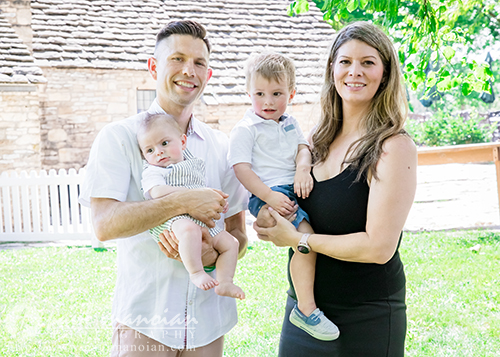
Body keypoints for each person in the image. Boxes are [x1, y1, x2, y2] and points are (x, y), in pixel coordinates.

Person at [79, 20, 248, 356]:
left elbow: (238, 235)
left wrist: (214, 255)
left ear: (208, 75)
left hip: (208, 324)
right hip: (146, 321)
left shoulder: (220, 145)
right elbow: (103, 225)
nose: (189, 70)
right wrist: (183, 202)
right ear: (153, 67)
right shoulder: (118, 137)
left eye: (199, 63)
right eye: (177, 59)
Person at [254, 21, 417, 356]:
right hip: (304, 312)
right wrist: (272, 216)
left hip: (366, 316)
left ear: (384, 74)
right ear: (332, 69)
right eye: (345, 62)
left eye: (367, 62)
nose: (354, 72)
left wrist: (298, 240)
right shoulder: (314, 141)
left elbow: (378, 248)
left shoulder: (393, 147)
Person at [229, 52, 339, 341]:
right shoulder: (246, 129)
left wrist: (303, 168)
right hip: (272, 191)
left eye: (277, 93)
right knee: (305, 241)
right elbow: (241, 169)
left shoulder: (290, 122)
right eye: (260, 94)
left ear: (291, 93)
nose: (268, 102)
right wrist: (268, 198)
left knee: (309, 237)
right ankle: (306, 309)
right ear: (248, 93)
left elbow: (304, 147)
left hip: (294, 186)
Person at [138, 113, 245, 299]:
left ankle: (226, 281)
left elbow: (201, 190)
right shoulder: (153, 171)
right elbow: (156, 192)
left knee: (231, 243)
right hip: (173, 219)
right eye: (149, 150)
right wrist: (192, 196)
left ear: (183, 142)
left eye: (164, 143)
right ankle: (196, 272)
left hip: (202, 220)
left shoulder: (191, 163)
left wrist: (217, 201)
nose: (158, 152)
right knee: (189, 230)